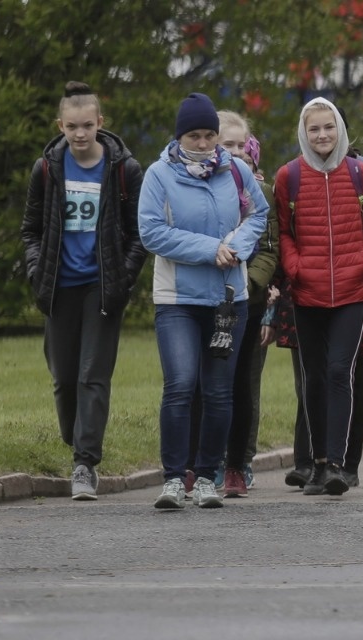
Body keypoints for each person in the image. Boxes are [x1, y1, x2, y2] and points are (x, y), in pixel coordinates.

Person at [266, 106, 363, 492]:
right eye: (314, 129)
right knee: (312, 378)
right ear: (303, 132)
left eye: (329, 127)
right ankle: (315, 464)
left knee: (338, 372)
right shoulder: (289, 176)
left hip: (352, 291)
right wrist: (293, 268)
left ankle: (337, 464)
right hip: (307, 291)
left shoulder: (360, 172)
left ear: (341, 129)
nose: (322, 135)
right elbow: (283, 232)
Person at [138, 92, 269, 509]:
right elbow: (152, 232)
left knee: (218, 392)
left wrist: (238, 246)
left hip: (228, 299)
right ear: (180, 137)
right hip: (177, 299)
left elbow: (258, 215)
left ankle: (209, 475)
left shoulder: (235, 172)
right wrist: (210, 248)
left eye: (209, 135)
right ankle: (175, 478)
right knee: (179, 385)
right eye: (194, 135)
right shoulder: (160, 174)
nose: (203, 143)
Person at [21, 81, 147, 501]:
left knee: (93, 375)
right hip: (58, 287)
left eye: (87, 125)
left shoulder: (123, 169)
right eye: (72, 126)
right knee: (64, 378)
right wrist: (38, 272)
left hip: (101, 287)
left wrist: (122, 278)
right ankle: (75, 439)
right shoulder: (46, 168)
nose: (79, 134)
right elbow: (31, 230)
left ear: (100, 123)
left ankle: (84, 463)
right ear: (61, 125)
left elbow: (137, 234)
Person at [216, 113, 279, 498]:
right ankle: (203, 458)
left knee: (245, 386)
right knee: (205, 384)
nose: (237, 152)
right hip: (206, 299)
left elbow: (270, 249)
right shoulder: (199, 186)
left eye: (242, 146)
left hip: (249, 301)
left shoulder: (260, 192)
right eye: (228, 145)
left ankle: (240, 461)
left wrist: (247, 282)